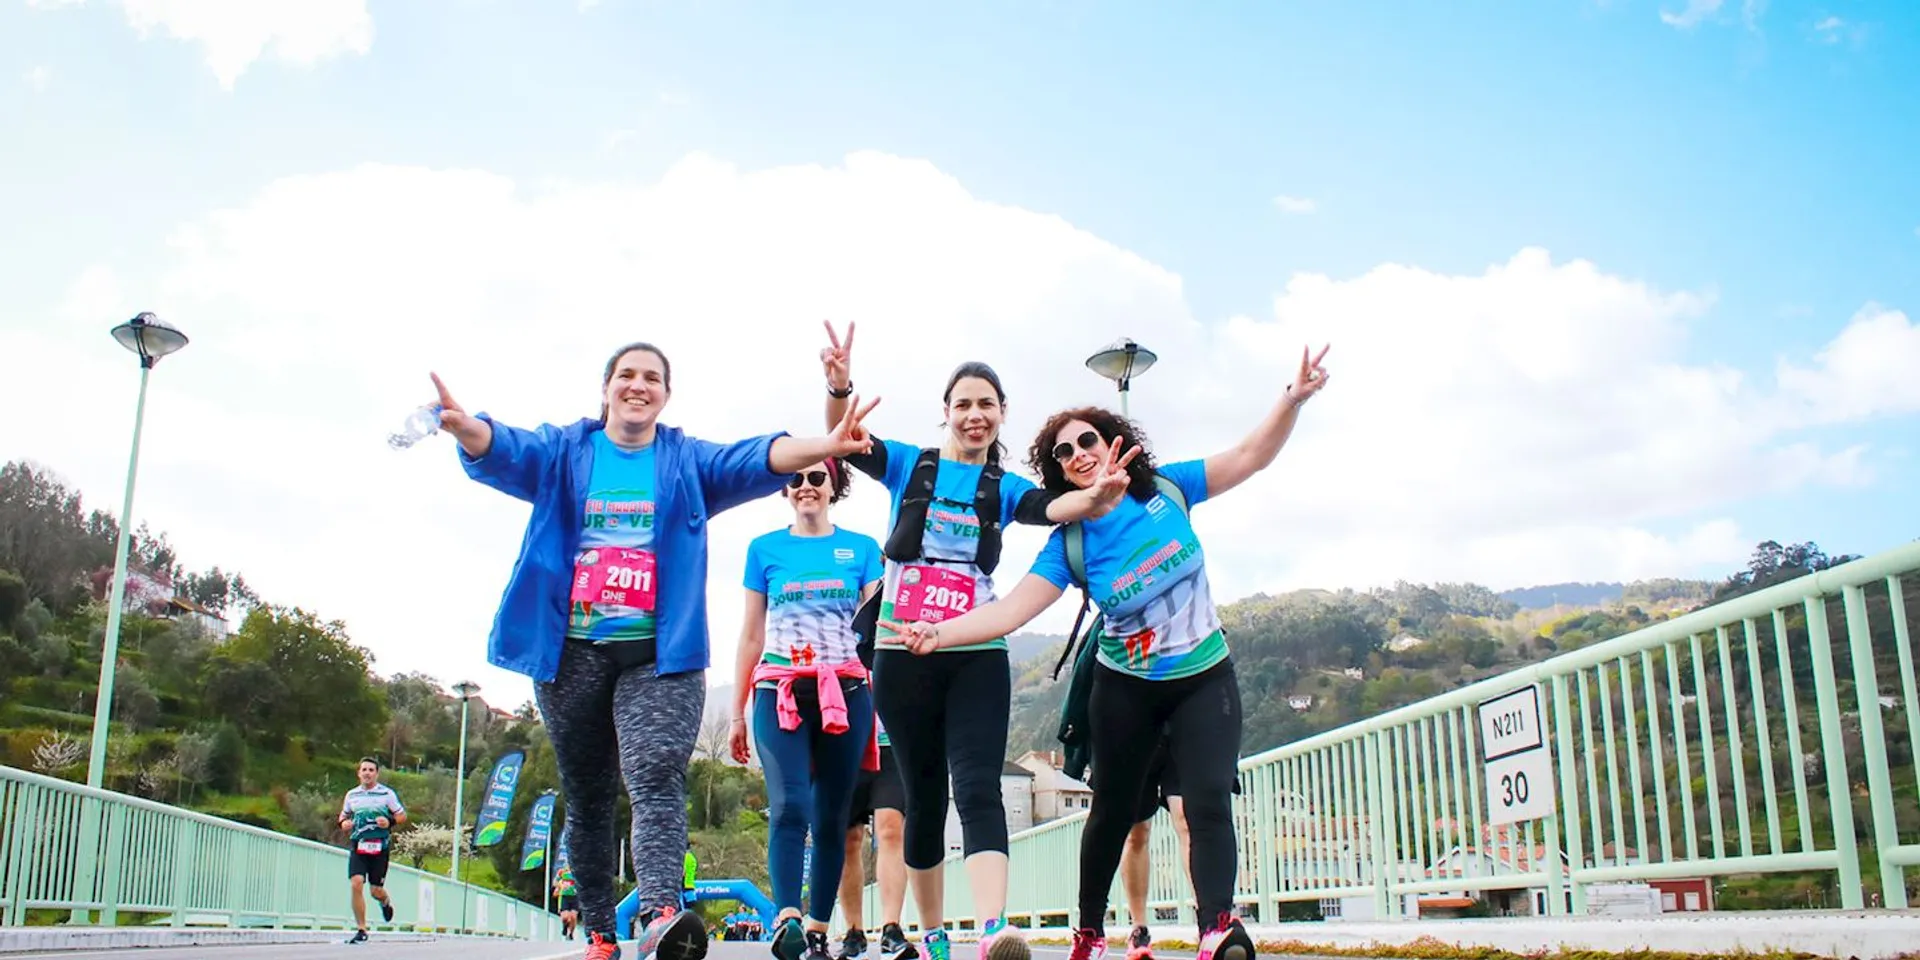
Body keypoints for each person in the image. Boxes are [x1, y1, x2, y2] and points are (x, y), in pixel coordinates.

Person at [436, 342, 883, 960]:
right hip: (572, 651)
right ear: (606, 388)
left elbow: (757, 455)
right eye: (626, 375)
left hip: (660, 655)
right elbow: (508, 447)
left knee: (655, 775)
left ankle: (662, 914)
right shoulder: (566, 452)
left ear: (666, 395)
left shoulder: (686, 462)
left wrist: (826, 444)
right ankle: (600, 931)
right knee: (588, 792)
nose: (638, 385)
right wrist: (467, 426)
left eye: (652, 377)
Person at [882, 344, 1331, 960]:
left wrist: (1291, 401)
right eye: (1064, 453)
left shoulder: (1168, 489)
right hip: (1126, 689)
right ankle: (1090, 929)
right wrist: (939, 634)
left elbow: (1249, 457)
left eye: (1087, 440)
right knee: (1114, 812)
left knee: (1205, 800)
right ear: (1059, 474)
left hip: (1204, 674)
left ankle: (1217, 929)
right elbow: (1011, 611)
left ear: (1113, 439)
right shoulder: (1070, 544)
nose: (1079, 454)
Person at [819, 322, 1135, 960]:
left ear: (1001, 413)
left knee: (978, 784)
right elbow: (844, 440)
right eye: (963, 404)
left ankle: (994, 928)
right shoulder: (910, 465)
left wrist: (1095, 496)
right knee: (923, 795)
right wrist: (839, 388)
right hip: (901, 653)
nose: (974, 415)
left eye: (986, 404)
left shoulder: (1004, 487)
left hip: (976, 653)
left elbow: (1052, 509)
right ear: (946, 412)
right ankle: (933, 931)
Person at [730, 455, 884, 960]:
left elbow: (878, 625)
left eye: (817, 477)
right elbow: (751, 634)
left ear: (833, 485)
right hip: (779, 691)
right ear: (785, 489)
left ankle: (818, 927)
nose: (805, 487)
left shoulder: (862, 549)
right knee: (790, 806)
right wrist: (736, 711)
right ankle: (787, 919)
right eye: (795, 479)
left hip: (846, 691)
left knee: (832, 816)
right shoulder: (764, 549)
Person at [834, 726, 911, 960]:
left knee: (891, 827)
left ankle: (891, 929)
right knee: (849, 838)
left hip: (892, 742)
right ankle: (854, 933)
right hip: (847, 740)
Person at [1119, 737, 1191, 960]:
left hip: (1179, 729)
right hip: (1140, 732)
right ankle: (1139, 930)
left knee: (1187, 820)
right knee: (1137, 833)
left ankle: (1209, 923)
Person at [337, 757, 406, 946]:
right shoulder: (352, 795)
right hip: (359, 845)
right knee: (356, 883)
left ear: (376, 774)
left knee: (376, 891)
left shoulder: (387, 794)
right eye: (364, 770)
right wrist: (344, 824)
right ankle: (361, 929)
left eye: (371, 770)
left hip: (379, 847)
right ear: (359, 773)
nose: (367, 773)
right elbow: (343, 817)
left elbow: (401, 815)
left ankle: (385, 902)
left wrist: (389, 821)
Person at [556, 865, 581, 940]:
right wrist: (561, 885)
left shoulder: (578, 872)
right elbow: (555, 882)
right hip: (565, 897)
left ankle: (571, 934)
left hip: (575, 897)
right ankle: (565, 926)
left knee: (573, 917)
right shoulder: (562, 872)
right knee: (565, 917)